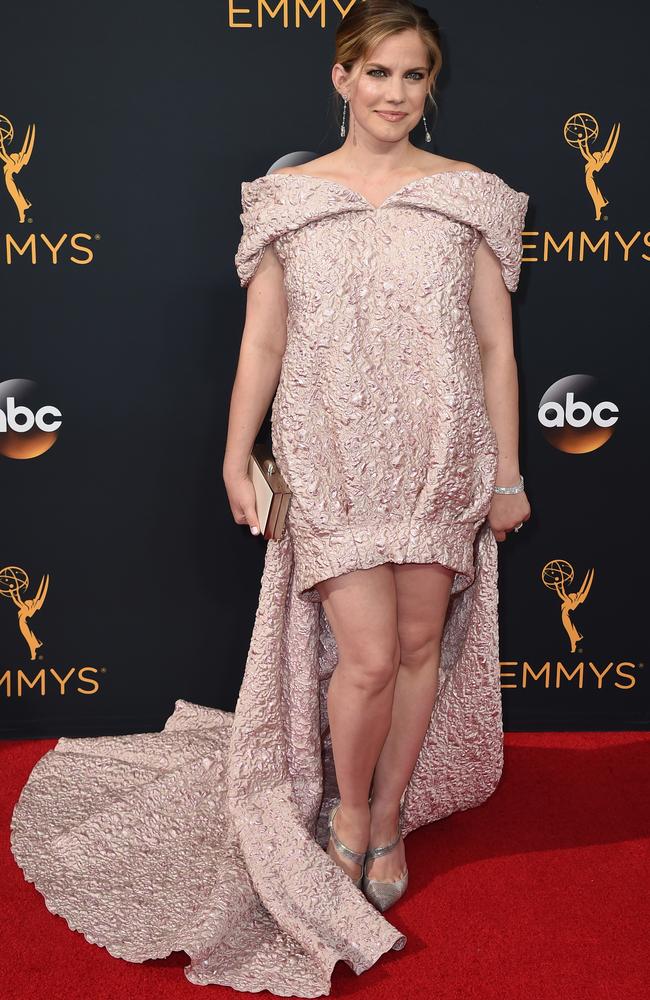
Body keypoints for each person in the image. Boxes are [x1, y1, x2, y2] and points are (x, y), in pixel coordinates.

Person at [10, 1, 531, 996]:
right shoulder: (288, 198)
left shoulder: (468, 198)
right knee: (368, 658)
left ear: (431, 86)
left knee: (420, 647)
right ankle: (340, 818)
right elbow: (263, 340)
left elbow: (497, 348)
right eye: (373, 73)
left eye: (410, 75)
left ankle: (384, 816)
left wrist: (504, 474)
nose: (391, 93)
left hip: (439, 455)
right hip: (329, 454)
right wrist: (234, 450)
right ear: (339, 80)